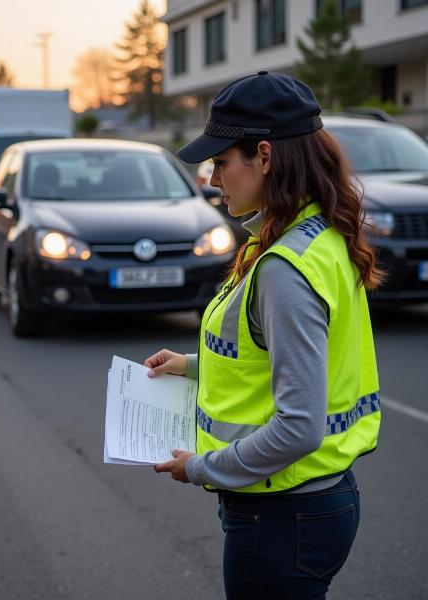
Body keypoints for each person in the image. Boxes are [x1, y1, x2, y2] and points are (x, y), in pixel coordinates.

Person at [146, 71, 382, 599]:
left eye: (221, 162)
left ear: (266, 157)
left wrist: (201, 468)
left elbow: (298, 428)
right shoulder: (317, 233)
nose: (211, 179)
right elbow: (275, 356)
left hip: (283, 512)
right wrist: (190, 364)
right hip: (318, 501)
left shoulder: (284, 267)